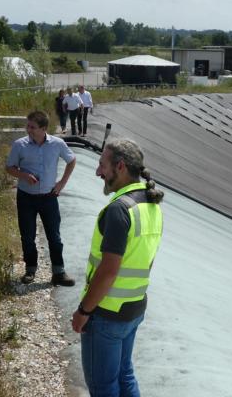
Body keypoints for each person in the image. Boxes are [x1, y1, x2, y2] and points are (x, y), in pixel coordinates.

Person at [71, 138, 164, 397]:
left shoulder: (119, 210)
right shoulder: (151, 204)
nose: (98, 171)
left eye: (102, 165)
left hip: (106, 314)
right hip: (134, 307)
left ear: (120, 166)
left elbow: (108, 271)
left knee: (103, 387)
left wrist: (83, 311)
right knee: (124, 375)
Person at [5, 110, 76, 286]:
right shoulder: (19, 145)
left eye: (32, 127)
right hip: (26, 197)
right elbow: (9, 167)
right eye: (27, 125)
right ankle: (30, 270)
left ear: (44, 128)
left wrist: (61, 184)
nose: (28, 129)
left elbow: (71, 160)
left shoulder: (57, 144)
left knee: (55, 236)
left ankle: (58, 272)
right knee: (27, 236)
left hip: (49, 197)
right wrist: (23, 175)